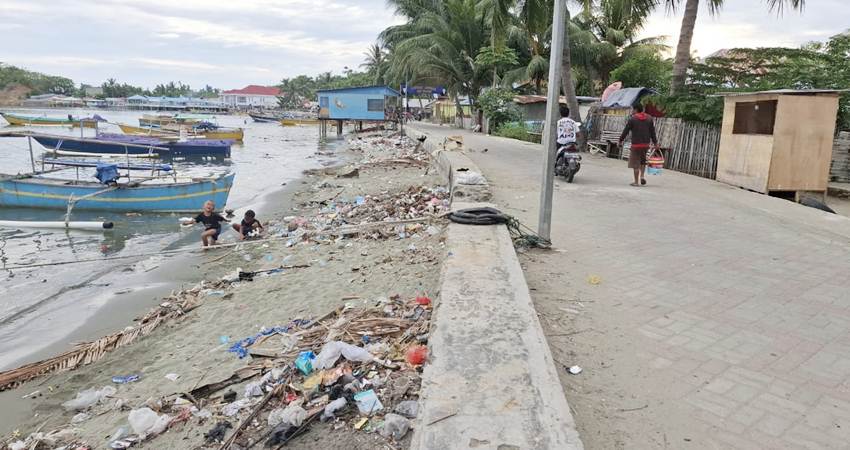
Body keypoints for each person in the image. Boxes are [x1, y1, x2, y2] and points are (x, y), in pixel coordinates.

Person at [619, 104, 658, 186]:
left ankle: (636, 182)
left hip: (636, 145)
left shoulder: (633, 119)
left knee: (635, 163)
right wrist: (655, 143)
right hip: (645, 145)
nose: (632, 111)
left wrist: (620, 140)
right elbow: (652, 132)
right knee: (643, 161)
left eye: (633, 109)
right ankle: (642, 177)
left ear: (636, 109)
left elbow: (626, 131)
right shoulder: (649, 118)